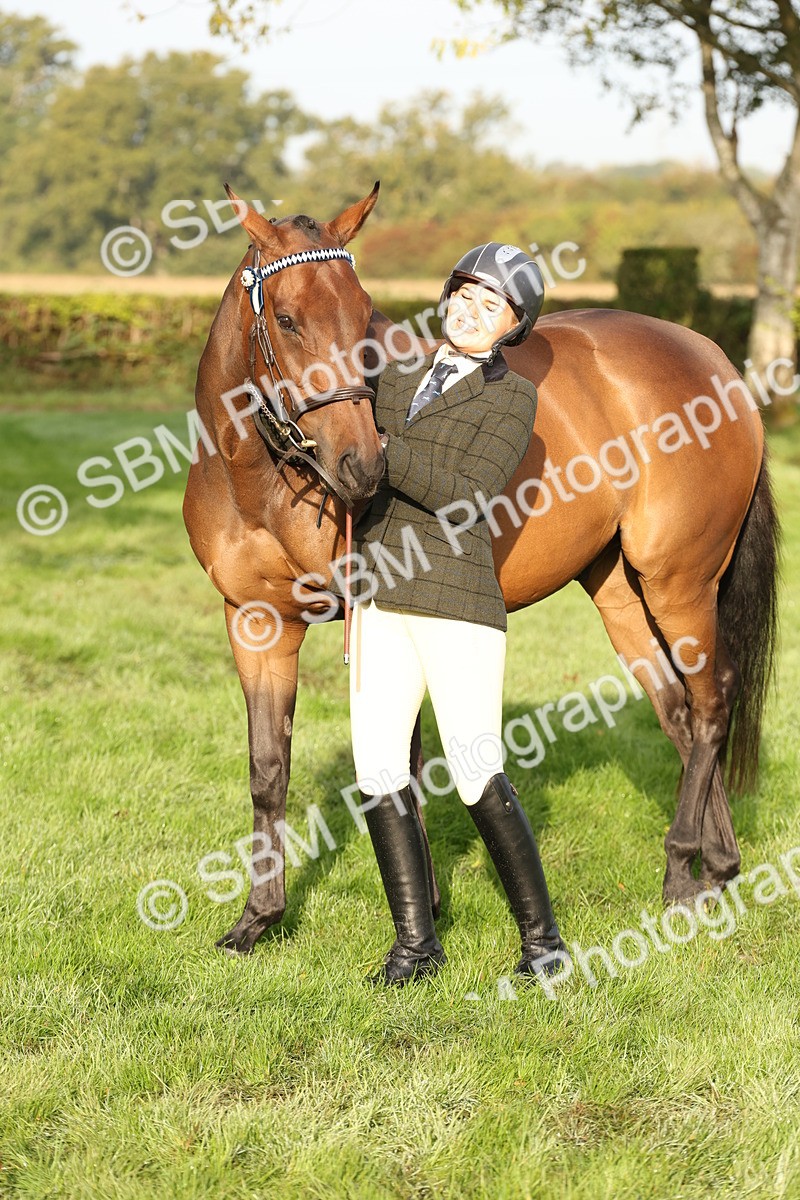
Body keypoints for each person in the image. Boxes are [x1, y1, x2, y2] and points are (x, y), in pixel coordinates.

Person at [348, 242, 570, 988]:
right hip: (380, 590)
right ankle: (416, 946)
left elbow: (467, 495)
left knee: (475, 771)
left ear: (512, 327)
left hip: (456, 600)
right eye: (463, 297)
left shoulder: (513, 400)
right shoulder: (397, 369)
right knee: (379, 769)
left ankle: (542, 940)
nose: (470, 314)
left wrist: (379, 446)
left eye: (490, 307)